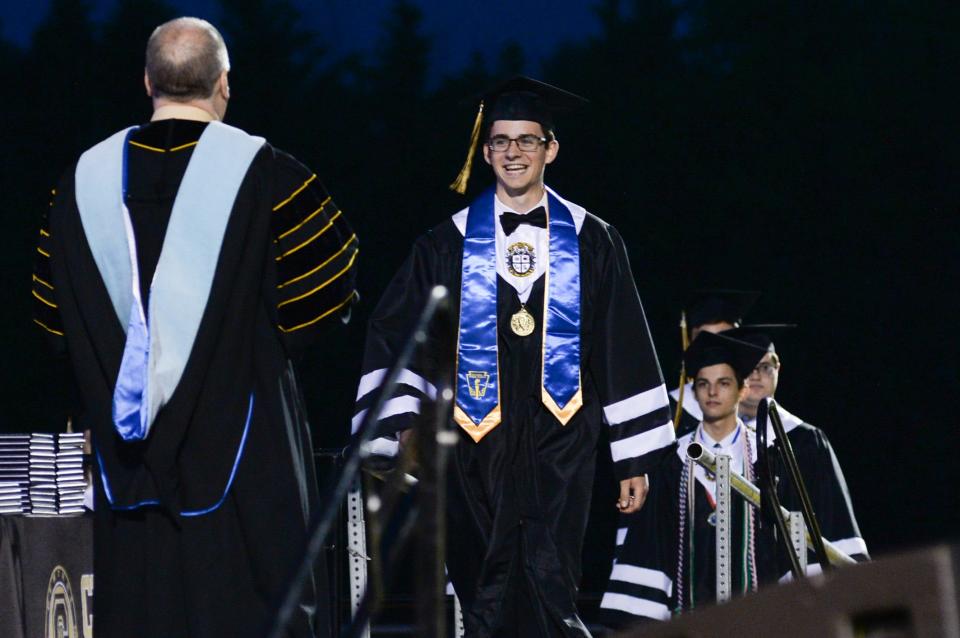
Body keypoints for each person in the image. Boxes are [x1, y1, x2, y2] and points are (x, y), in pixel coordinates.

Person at [31, 17, 358, 638]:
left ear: (148, 81)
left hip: (126, 456)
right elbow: (327, 295)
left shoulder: (79, 184)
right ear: (224, 85)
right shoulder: (272, 176)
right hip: (247, 448)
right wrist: (250, 351)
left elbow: (51, 324)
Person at [352, 76, 674, 637]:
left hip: (564, 447)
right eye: (501, 141)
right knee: (484, 592)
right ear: (484, 151)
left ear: (551, 148)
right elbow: (398, 332)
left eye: (527, 140)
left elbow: (620, 343)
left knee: (556, 585)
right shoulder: (443, 244)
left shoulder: (594, 240)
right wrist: (404, 427)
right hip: (472, 450)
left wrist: (633, 458)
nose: (513, 153)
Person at [599, 330, 770, 626]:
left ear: (742, 390)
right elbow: (652, 544)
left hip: (759, 618)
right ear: (693, 392)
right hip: (687, 618)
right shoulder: (671, 462)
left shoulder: (767, 459)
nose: (712, 393)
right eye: (703, 384)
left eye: (724, 383)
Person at [727, 324, 869, 571]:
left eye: (765, 366)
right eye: (748, 367)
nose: (757, 375)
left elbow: (833, 517)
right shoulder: (709, 442)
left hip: (793, 580)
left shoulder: (805, 440)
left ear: (778, 369)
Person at [669, 289, 760, 437]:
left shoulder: (760, 406)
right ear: (689, 342)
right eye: (704, 339)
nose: (714, 347)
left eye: (725, 338)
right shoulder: (670, 411)